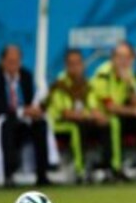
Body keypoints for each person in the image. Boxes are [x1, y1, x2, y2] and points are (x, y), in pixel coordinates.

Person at [0, 45, 51, 186]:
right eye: (10, 61)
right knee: (7, 126)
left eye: (16, 61)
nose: (14, 65)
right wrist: (21, 111)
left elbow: (30, 101)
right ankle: (8, 175)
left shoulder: (26, 76)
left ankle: (42, 175)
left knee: (40, 125)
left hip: (21, 122)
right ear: (2, 62)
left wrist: (33, 110)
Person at [90, 41, 136, 180]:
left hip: (118, 114)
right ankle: (114, 168)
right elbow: (109, 107)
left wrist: (129, 84)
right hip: (98, 117)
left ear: (132, 59)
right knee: (115, 122)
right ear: (112, 58)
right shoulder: (103, 73)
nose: (123, 61)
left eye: (126, 57)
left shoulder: (129, 74)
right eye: (119, 57)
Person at [44, 49, 108, 181]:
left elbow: (93, 107)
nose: (75, 67)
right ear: (66, 66)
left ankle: (105, 168)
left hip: (82, 120)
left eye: (78, 63)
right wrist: (89, 115)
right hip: (59, 124)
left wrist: (98, 116)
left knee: (105, 124)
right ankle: (80, 170)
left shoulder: (86, 85)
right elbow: (67, 113)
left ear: (83, 65)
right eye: (71, 64)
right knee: (76, 128)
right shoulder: (60, 85)